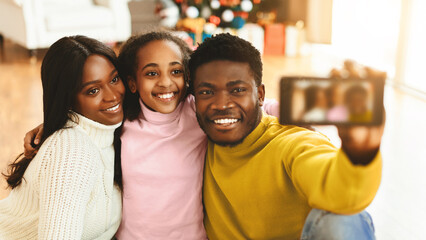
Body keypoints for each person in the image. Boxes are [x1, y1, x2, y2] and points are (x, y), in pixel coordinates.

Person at [22, 31, 279, 239]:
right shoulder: (124, 122)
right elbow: (87, 120)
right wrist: (52, 126)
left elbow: (253, 104)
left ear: (187, 77)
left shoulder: (195, 112)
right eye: (152, 73)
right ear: (132, 83)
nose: (166, 82)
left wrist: (299, 107)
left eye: (176, 71)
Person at [189, 33, 384, 239]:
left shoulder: (292, 142)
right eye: (206, 92)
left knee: (343, 218)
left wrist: (361, 149)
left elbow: (344, 193)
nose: (221, 104)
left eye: (237, 90)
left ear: (260, 95)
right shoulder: (194, 144)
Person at [0, 36, 124, 239]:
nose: (112, 95)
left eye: (114, 79)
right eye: (93, 90)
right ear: (67, 98)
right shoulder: (71, 151)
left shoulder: (114, 131)